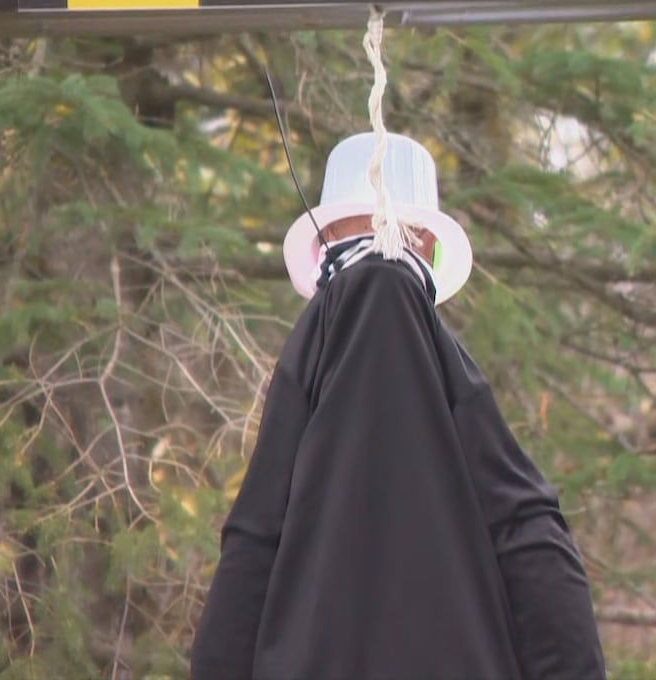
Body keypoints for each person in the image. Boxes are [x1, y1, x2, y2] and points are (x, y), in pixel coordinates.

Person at [190, 132, 608, 680]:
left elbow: (253, 543)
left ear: (326, 235)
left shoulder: (309, 361)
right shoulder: (449, 369)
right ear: (425, 239)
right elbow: (531, 535)